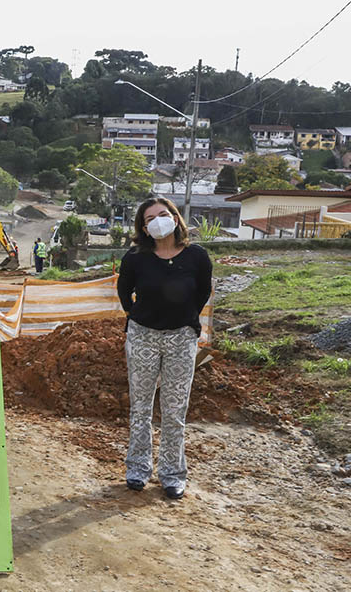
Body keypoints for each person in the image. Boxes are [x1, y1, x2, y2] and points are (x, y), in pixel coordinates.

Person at [116, 197, 212, 500]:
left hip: (181, 340)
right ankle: (138, 469)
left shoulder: (197, 256)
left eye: (163, 214)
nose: (157, 220)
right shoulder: (135, 258)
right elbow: (123, 292)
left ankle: (172, 474)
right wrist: (137, 318)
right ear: (143, 227)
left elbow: (201, 292)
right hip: (143, 336)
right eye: (149, 218)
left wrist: (184, 320)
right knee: (141, 407)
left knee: (174, 410)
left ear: (175, 217)